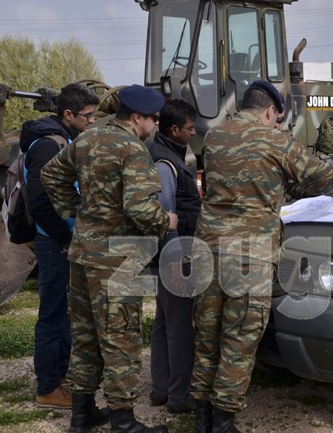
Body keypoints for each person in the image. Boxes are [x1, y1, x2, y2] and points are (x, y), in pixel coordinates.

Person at [191, 80, 333, 433]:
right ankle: (223, 422)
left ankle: (201, 417)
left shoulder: (213, 138)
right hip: (249, 257)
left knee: (207, 336)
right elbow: (325, 179)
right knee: (239, 340)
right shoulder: (276, 140)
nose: (277, 124)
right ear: (269, 111)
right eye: (277, 118)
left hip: (207, 250)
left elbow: (253, 179)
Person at [41, 84, 178, 433]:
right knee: (121, 339)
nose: (157, 124)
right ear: (136, 118)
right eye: (154, 118)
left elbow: (51, 174)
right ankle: (124, 423)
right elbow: (140, 209)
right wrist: (167, 221)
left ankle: (82, 414)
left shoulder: (88, 138)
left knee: (85, 337)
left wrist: (77, 213)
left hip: (83, 254)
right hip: (117, 259)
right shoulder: (133, 150)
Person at [21, 82, 100, 411]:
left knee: (66, 314)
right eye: (88, 116)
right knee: (53, 315)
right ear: (68, 114)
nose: (92, 121)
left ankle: (61, 376)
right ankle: (49, 388)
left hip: (63, 240)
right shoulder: (47, 146)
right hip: (54, 243)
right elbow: (40, 202)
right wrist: (67, 239)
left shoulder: (65, 140)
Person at [147, 99, 201, 414]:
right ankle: (180, 397)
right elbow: (165, 214)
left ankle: (161, 388)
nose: (193, 133)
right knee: (180, 326)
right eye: (190, 128)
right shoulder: (165, 164)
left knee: (163, 320)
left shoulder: (169, 155)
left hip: (168, 252)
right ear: (174, 129)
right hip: (174, 252)